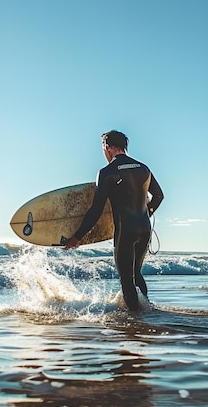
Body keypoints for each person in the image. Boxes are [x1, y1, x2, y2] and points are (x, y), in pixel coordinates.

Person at [63, 130, 164, 312]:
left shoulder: (107, 172)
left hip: (125, 230)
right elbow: (158, 196)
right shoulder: (144, 168)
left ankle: (135, 320)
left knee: (126, 279)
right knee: (136, 273)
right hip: (144, 228)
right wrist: (144, 214)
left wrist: (77, 237)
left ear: (107, 147)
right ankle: (147, 311)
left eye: (103, 148)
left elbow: (96, 210)